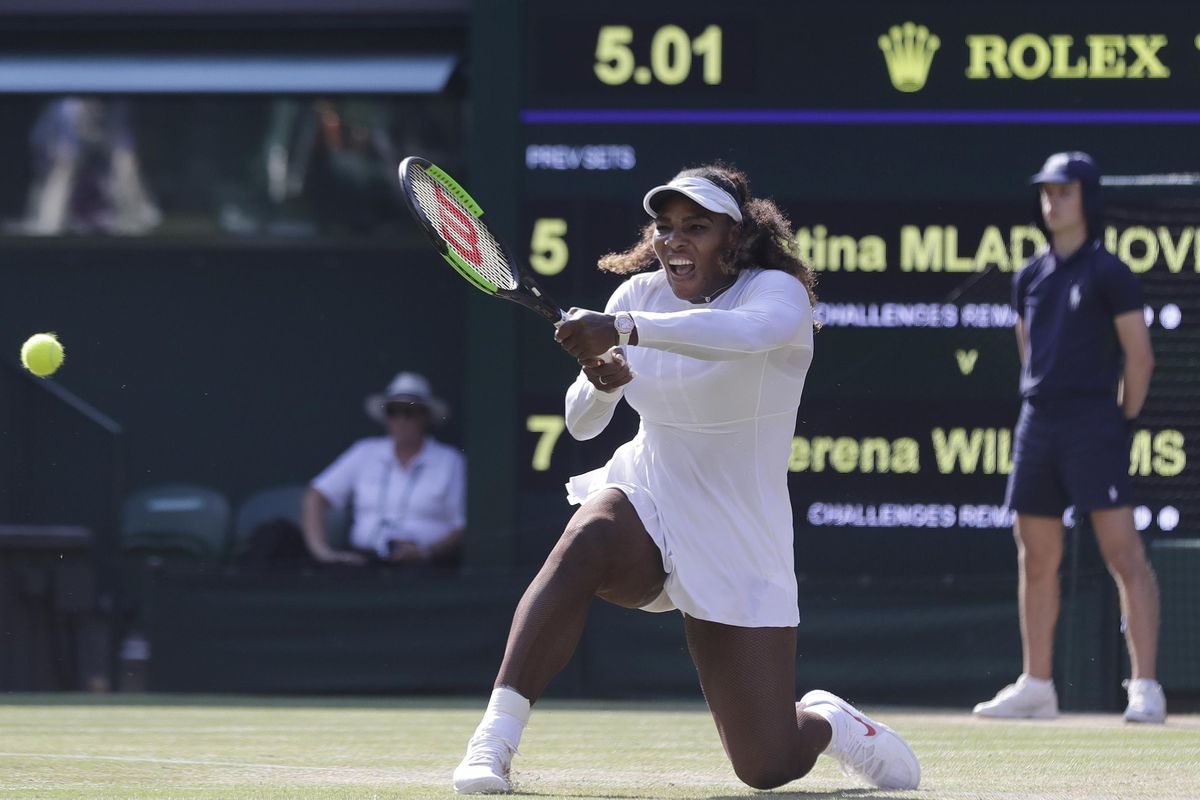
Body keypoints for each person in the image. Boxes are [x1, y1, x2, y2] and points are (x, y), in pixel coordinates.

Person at [452, 164, 920, 794]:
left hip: (738, 532)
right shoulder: (635, 296)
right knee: (587, 537)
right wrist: (600, 383)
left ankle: (830, 723)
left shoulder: (776, 294)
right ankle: (493, 742)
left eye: (696, 227)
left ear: (736, 237)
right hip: (650, 492)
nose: (674, 239)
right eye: (665, 226)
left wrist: (624, 330)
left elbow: (741, 334)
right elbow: (582, 426)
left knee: (767, 765)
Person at [973, 152, 1164, 723]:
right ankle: (1037, 684)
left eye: (1064, 192)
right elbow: (1028, 349)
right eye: (1046, 193)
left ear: (1087, 199)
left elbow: (1140, 358)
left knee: (1123, 553)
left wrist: (1121, 421)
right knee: (1034, 554)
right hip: (1039, 420)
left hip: (1094, 421)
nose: (1052, 202)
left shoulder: (1111, 273)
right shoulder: (1029, 276)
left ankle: (1145, 686)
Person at [302, 372, 465, 566]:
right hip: (364, 563)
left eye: (409, 412)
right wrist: (323, 553)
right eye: (392, 411)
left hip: (424, 567)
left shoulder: (450, 461)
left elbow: (462, 526)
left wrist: (426, 552)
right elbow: (316, 495)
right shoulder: (364, 452)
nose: (400, 420)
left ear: (425, 416)